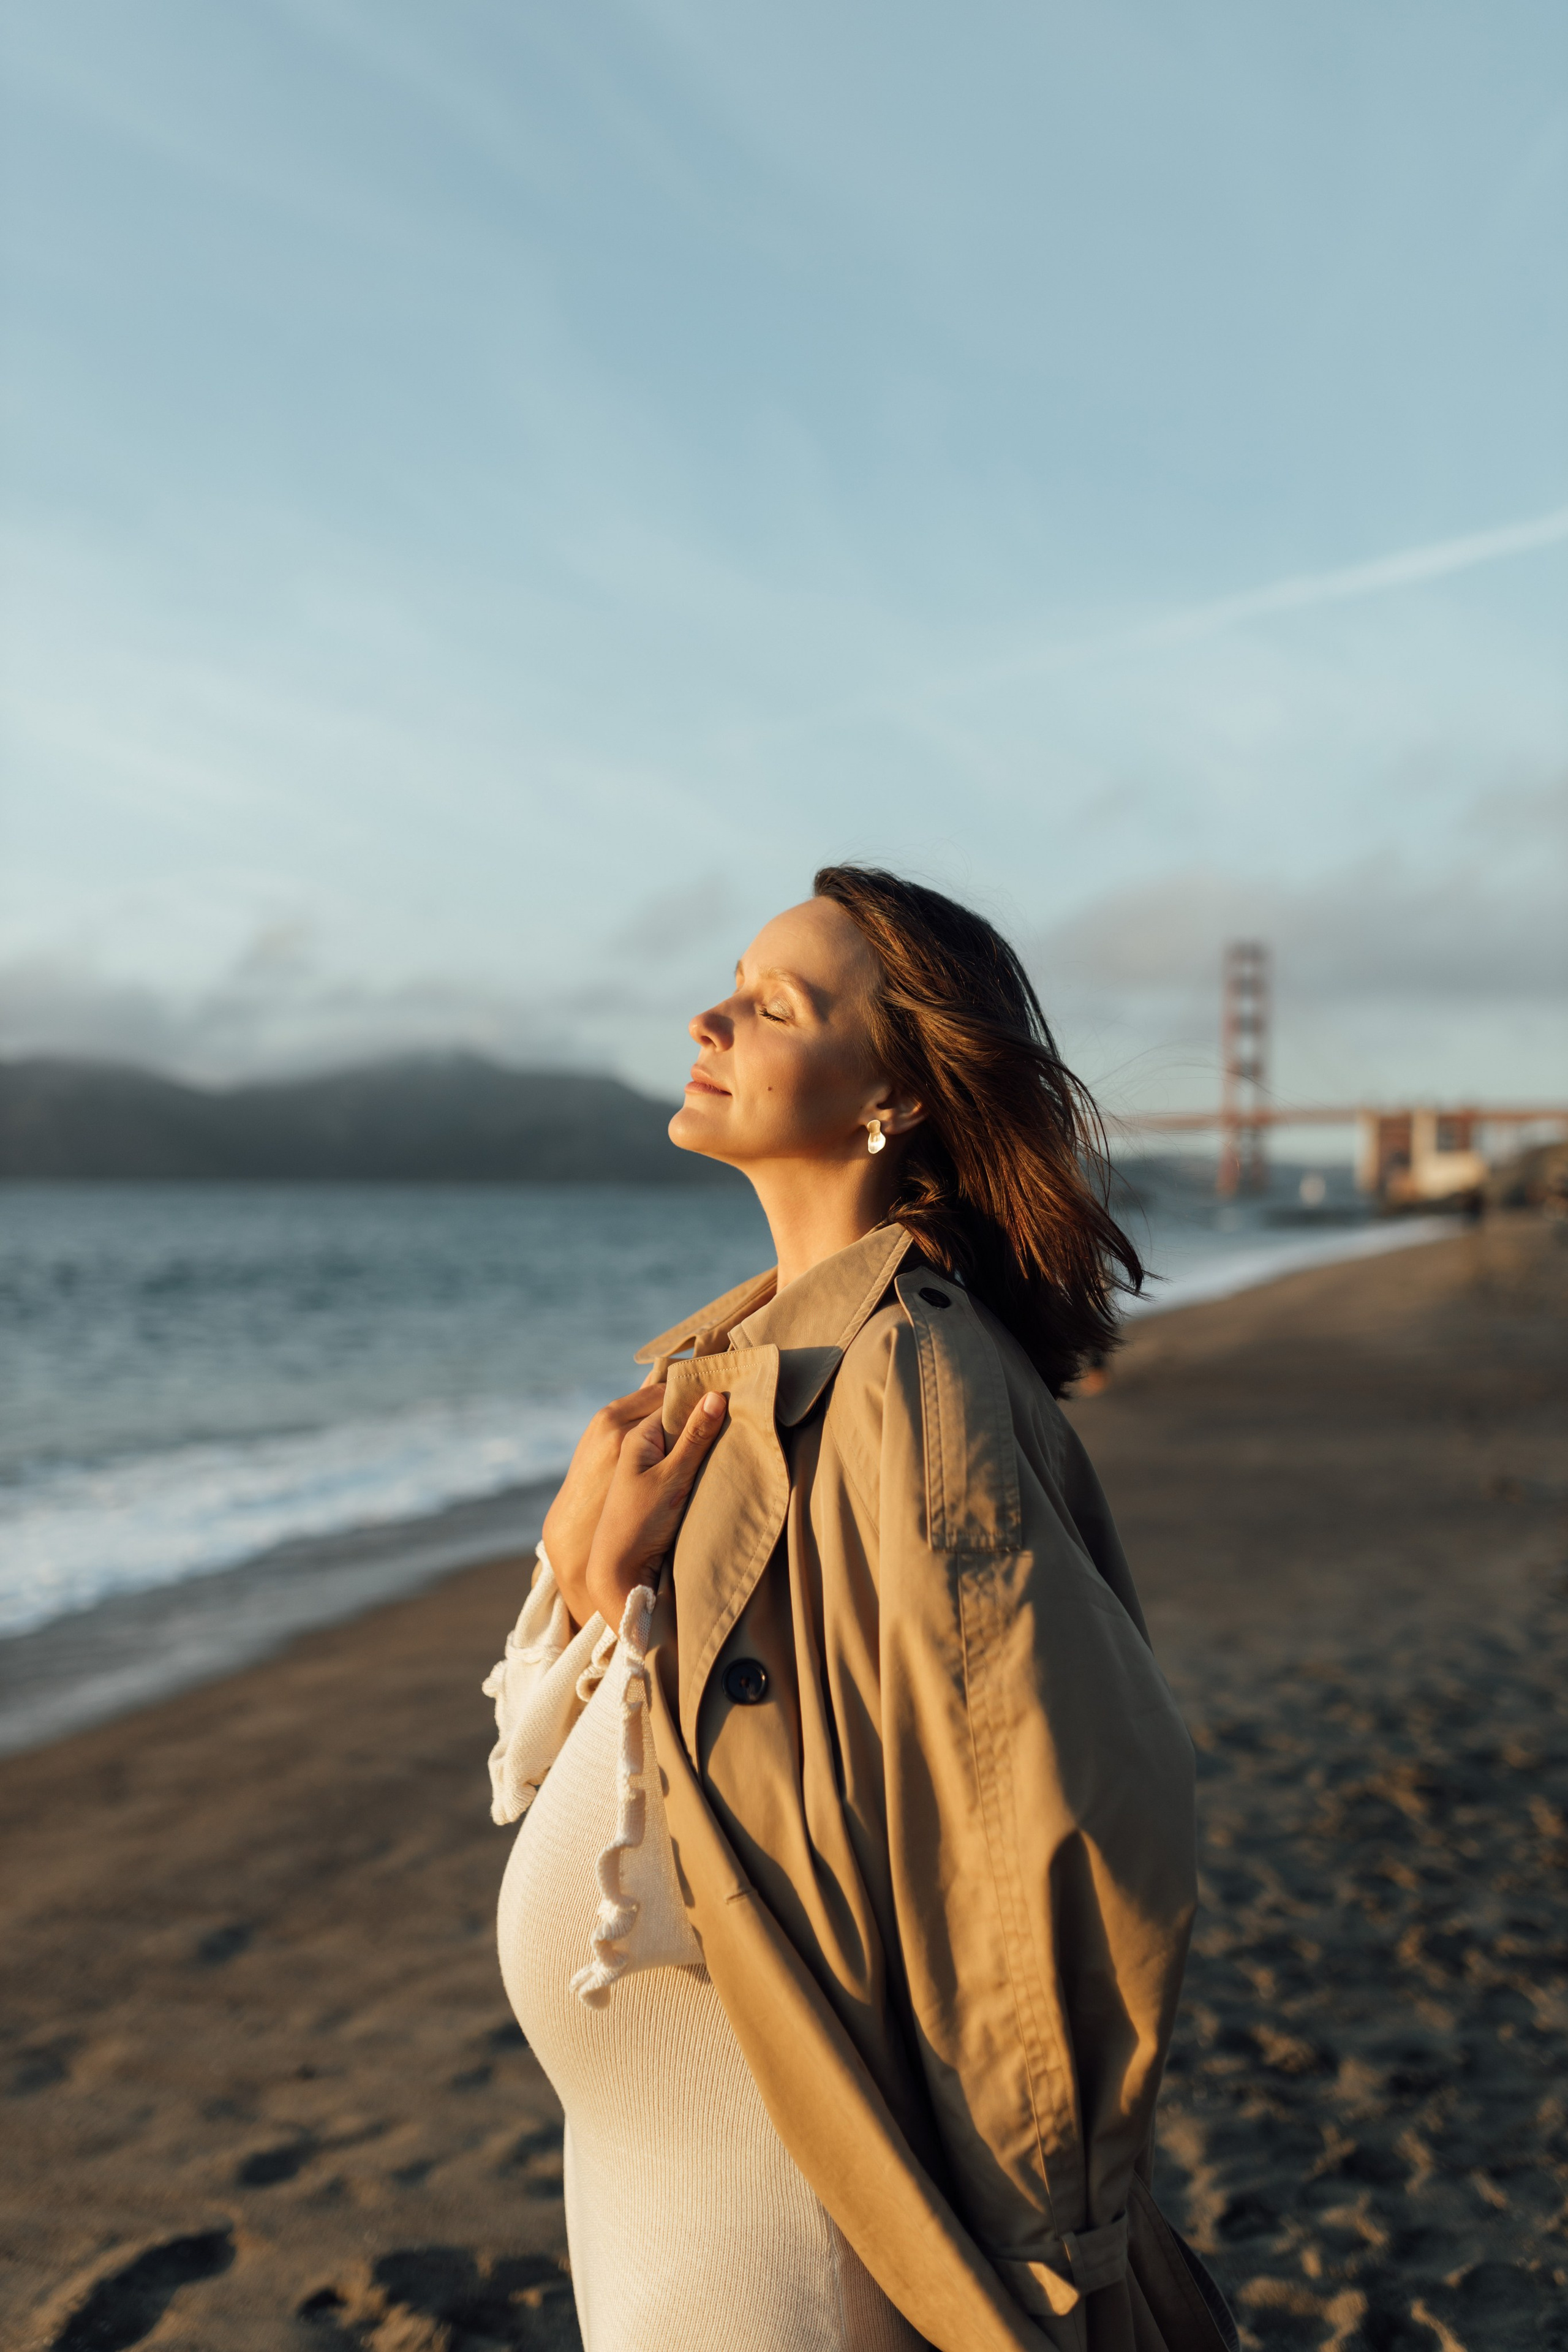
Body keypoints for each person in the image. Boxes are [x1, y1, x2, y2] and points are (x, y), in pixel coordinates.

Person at [483, 867, 1237, 2352]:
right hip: (665, 2158)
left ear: (888, 1092)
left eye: (771, 1005)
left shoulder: (907, 1381)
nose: (707, 1012)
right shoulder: (744, 1360)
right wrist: (594, 1588)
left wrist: (1047, 2227)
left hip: (769, 2170)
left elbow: (1056, 1808)